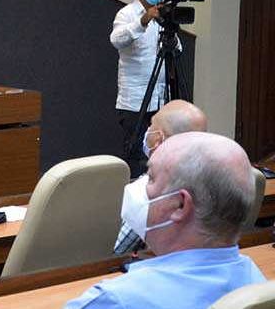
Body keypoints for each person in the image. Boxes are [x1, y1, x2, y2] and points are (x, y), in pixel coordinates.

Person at [66, 132, 265, 309]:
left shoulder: (116, 300)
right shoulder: (256, 284)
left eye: (151, 178)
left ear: (180, 205)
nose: (139, 186)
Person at [113, 99, 208, 254]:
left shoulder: (146, 193)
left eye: (151, 125)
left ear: (158, 139)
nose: (148, 129)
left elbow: (116, 252)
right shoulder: (220, 180)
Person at [110, 0, 177, 175]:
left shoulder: (162, 15)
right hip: (135, 101)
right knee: (137, 155)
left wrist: (170, 25)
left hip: (160, 99)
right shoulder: (127, 13)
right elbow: (116, 40)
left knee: (162, 152)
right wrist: (143, 20)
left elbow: (177, 49)